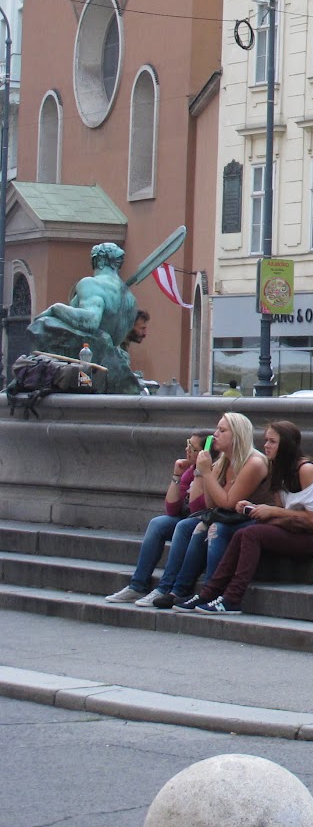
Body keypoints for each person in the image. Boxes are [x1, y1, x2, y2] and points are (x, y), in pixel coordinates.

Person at [186, 421, 313, 615]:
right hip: (292, 527)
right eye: (266, 440)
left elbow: (312, 521)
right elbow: (280, 509)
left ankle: (232, 599)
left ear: (286, 445)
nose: (266, 445)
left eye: (272, 441)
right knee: (241, 531)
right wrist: (252, 508)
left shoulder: (306, 470)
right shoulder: (276, 468)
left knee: (250, 534)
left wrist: (272, 512)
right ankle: (209, 593)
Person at [139, 412, 269, 608]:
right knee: (191, 526)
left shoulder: (254, 462)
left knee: (215, 529)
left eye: (222, 430)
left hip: (251, 517)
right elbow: (210, 504)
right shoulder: (223, 461)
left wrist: (206, 472)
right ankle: (178, 590)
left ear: (237, 435)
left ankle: (211, 591)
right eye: (217, 429)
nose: (215, 434)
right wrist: (205, 473)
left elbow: (227, 502)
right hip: (228, 516)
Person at [103, 431, 209, 602]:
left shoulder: (209, 471)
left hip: (200, 521)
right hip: (185, 519)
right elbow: (172, 508)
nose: (187, 450)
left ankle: (164, 588)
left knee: (183, 527)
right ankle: (137, 585)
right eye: (188, 444)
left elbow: (198, 509)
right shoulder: (188, 471)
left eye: (193, 448)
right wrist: (177, 475)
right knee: (158, 523)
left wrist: (200, 474)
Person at [28, 242, 142, 392]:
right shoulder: (130, 299)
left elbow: (90, 322)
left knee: (43, 324)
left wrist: (57, 309)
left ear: (98, 261)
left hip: (88, 366)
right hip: (114, 368)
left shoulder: (91, 284)